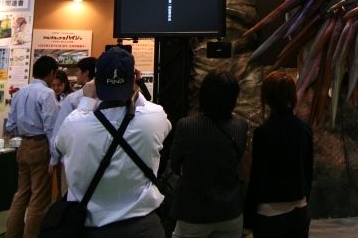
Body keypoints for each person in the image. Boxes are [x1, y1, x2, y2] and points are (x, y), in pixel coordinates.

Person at [55, 47, 171, 237]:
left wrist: (87, 100)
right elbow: (159, 120)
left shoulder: (74, 124)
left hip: (90, 228)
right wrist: (135, 88)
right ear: (133, 80)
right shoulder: (155, 118)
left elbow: (59, 146)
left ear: (96, 82)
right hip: (143, 227)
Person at [169, 70, 249, 238]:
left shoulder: (186, 126)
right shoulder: (240, 126)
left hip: (193, 212)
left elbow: (174, 164)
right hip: (229, 211)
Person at [244, 71, 313, 238]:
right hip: (299, 211)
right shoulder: (304, 129)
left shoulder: (263, 132)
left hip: (270, 215)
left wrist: (248, 217)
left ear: (267, 97)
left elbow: (257, 177)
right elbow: (308, 171)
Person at [5, 55, 60, 238]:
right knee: (39, 198)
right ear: (51, 73)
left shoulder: (20, 93)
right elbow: (51, 128)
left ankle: (12, 234)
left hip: (23, 145)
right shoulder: (47, 94)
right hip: (40, 145)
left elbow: (11, 125)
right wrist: (54, 157)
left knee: (21, 194)